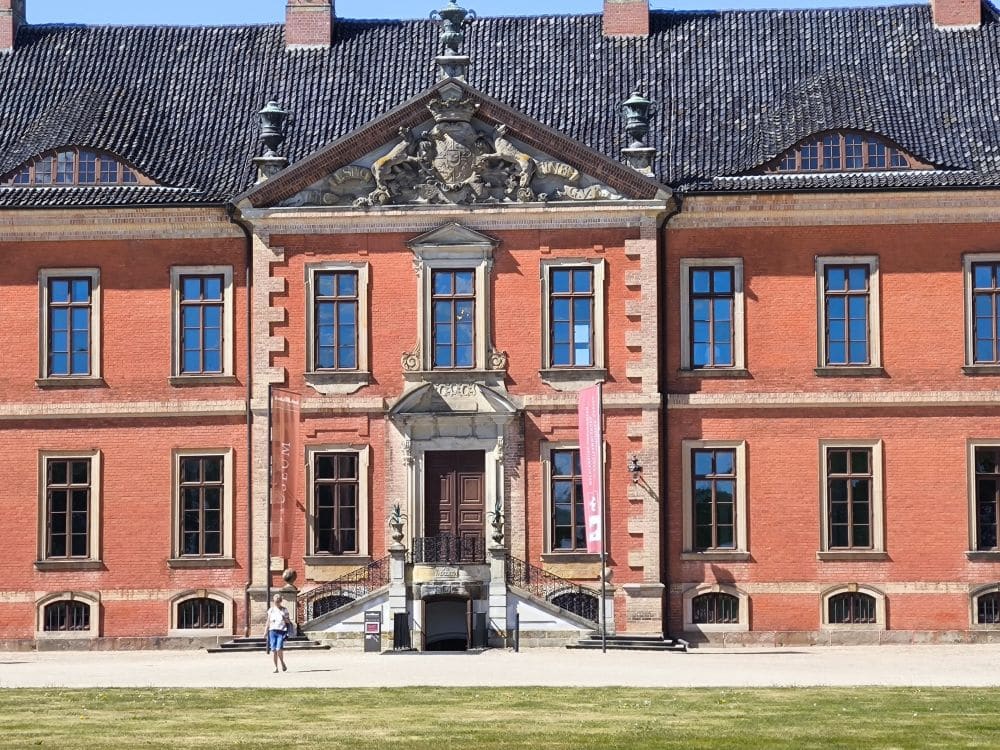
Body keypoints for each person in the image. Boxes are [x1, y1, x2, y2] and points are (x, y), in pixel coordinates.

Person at [266, 594, 292, 673]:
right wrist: (265, 631)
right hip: (272, 631)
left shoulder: (284, 610)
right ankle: (276, 667)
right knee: (273, 650)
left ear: (280, 601)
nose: (277, 603)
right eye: (275, 602)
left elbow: (288, 621)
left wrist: (284, 618)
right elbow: (268, 621)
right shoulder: (271, 610)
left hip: (281, 631)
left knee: (278, 649)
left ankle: (282, 663)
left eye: (278, 602)